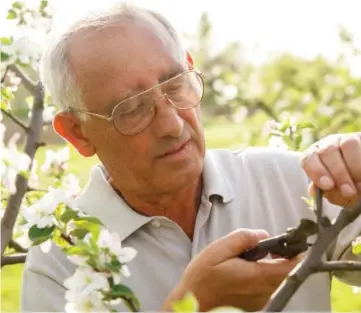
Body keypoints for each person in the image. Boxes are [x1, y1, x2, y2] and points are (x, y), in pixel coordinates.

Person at [21, 3, 361, 312]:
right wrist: (196, 305)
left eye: (175, 85)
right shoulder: (60, 264)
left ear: (190, 68)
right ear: (78, 133)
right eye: (133, 108)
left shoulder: (292, 180)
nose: (171, 124)